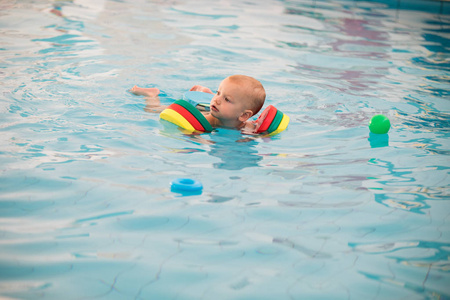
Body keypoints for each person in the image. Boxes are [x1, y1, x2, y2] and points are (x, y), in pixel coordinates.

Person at [129, 75, 266, 134]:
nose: (217, 99)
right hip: (198, 111)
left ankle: (207, 93)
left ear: (244, 115)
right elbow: (192, 132)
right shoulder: (207, 121)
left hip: (210, 107)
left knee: (213, 104)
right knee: (153, 109)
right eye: (218, 93)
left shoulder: (249, 127)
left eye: (227, 99)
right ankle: (151, 94)